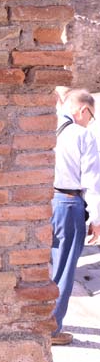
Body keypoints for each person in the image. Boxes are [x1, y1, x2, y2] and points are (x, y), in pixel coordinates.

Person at [51, 89, 100, 344]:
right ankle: (50, 330)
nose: (90, 121)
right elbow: (92, 180)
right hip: (70, 204)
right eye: (91, 116)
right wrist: (96, 219)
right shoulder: (83, 135)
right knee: (64, 270)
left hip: (48, 201)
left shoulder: (51, 127)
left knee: (46, 267)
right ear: (83, 110)